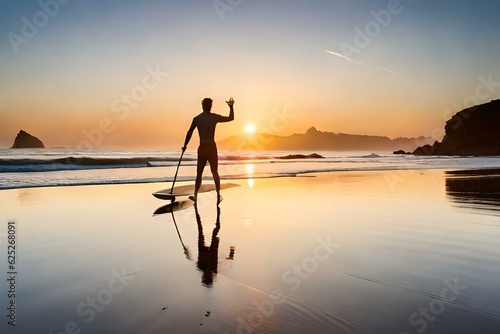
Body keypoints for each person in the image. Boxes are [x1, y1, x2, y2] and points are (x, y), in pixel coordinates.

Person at [182, 97, 234, 204]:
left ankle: (196, 196)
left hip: (203, 148)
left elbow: (190, 132)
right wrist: (231, 107)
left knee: (199, 173)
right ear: (210, 106)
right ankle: (218, 195)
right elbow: (231, 118)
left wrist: (185, 145)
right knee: (215, 172)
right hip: (211, 147)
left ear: (202, 106)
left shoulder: (197, 119)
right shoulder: (214, 117)